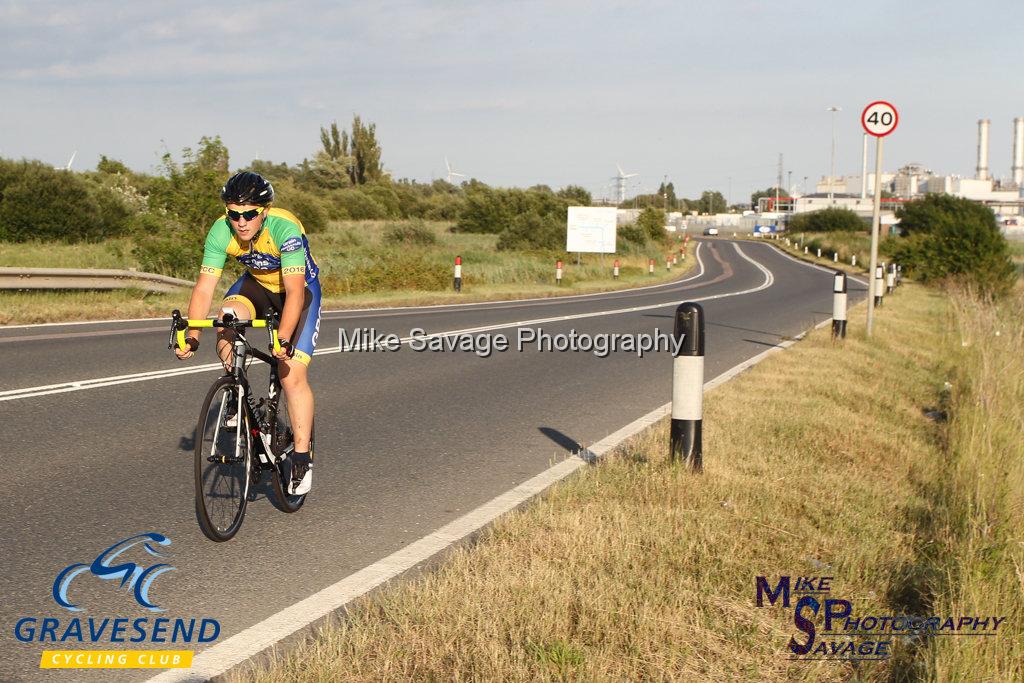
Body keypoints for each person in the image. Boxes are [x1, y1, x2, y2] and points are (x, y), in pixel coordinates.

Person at [174, 171, 320, 495]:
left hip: (298, 292)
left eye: (249, 214)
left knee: (291, 374)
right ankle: (235, 391)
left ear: (264, 211)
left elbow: (294, 294)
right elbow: (204, 287)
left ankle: (299, 457)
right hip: (256, 286)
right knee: (226, 320)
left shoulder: (286, 230)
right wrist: (193, 334)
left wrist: (282, 339)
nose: (241, 222)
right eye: (234, 213)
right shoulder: (220, 230)